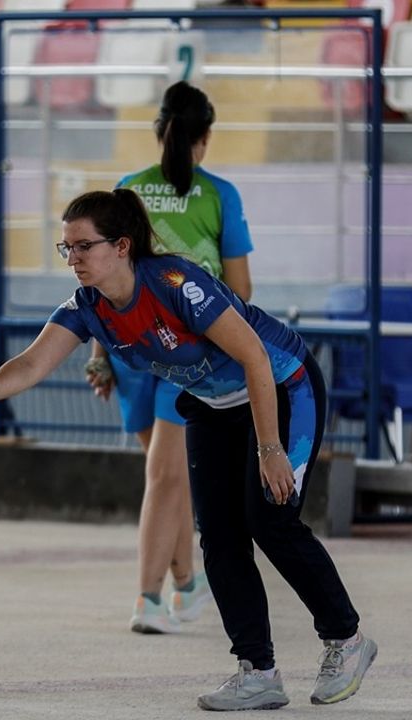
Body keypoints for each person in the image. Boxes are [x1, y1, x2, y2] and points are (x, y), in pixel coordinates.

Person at [0, 189, 375, 711]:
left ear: (122, 246)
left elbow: (253, 356)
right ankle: (259, 671)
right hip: (212, 404)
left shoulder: (176, 283)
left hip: (282, 387)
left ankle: (347, 640)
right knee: (221, 536)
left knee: (270, 519)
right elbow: (30, 364)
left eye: (83, 246)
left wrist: (270, 448)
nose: (74, 259)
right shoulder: (88, 308)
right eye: (65, 248)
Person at [86, 81, 253, 634]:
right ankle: (186, 582)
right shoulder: (220, 195)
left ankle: (149, 599)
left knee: (162, 474)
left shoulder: (127, 189)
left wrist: (97, 354)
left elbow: (104, 280)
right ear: (203, 138)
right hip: (184, 350)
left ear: (159, 131)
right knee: (169, 477)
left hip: (131, 349)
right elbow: (242, 291)